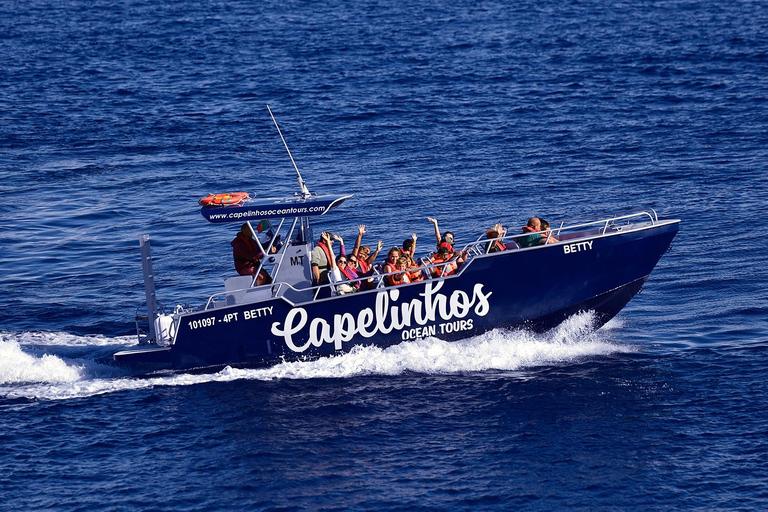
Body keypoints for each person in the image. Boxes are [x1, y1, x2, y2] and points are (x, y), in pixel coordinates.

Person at [311, 231, 336, 296]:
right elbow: (315, 265)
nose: (332, 242)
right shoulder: (317, 250)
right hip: (324, 278)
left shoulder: (329, 250)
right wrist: (318, 280)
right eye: (331, 240)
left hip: (331, 277)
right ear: (325, 240)